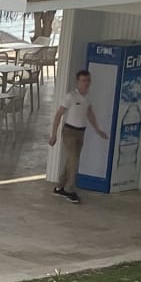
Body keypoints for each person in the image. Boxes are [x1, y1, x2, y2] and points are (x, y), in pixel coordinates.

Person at [48, 68, 106, 204]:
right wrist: (54, 135)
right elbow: (58, 115)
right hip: (69, 132)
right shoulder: (71, 97)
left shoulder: (87, 97)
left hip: (81, 132)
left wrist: (98, 129)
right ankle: (69, 190)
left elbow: (90, 114)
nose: (86, 83)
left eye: (88, 80)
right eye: (83, 80)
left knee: (71, 160)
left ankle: (60, 186)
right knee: (74, 162)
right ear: (78, 82)